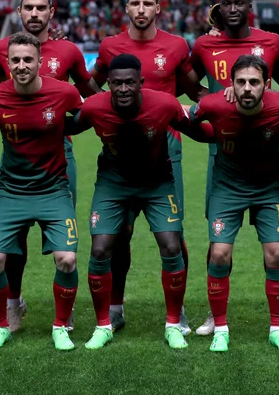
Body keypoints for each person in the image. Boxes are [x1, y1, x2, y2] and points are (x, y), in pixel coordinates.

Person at [90, 0, 207, 333]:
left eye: (147, 3)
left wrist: (222, 99)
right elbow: (91, 84)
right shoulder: (110, 46)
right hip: (120, 148)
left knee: (173, 235)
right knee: (119, 233)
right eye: (135, 3)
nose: (141, 9)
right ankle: (116, 307)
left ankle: (179, 310)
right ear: (126, 8)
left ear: (159, 8)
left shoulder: (175, 46)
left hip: (166, 150)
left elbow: (194, 90)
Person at [69, 54, 204, 350]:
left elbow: (197, 130)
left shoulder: (164, 104)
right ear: (107, 84)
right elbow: (68, 127)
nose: (123, 89)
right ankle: (104, 323)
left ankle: (173, 324)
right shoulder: (94, 107)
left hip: (157, 182)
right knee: (101, 248)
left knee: (171, 244)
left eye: (130, 82)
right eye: (116, 83)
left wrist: (230, 126)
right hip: (113, 184)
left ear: (141, 83)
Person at [190, 0, 279, 337]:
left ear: (250, 6)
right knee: (219, 244)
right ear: (218, 8)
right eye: (227, 3)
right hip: (222, 149)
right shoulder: (205, 43)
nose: (233, 8)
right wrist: (218, 100)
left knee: (276, 247)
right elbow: (189, 83)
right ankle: (214, 314)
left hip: (265, 151)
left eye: (240, 3)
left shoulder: (271, 42)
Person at [0, 0, 98, 332]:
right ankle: (13, 302)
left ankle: (62, 315)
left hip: (58, 152)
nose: (34, 14)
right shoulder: (0, 49)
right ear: (18, 12)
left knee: (63, 239)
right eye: (28, 8)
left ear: (52, 12)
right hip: (17, 152)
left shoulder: (68, 50)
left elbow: (88, 95)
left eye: (41, 8)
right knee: (14, 236)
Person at [0, 32, 83, 351]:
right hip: (11, 193)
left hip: (53, 191)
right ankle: (2, 326)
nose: (21, 66)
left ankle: (61, 326)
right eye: (16, 60)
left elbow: (87, 114)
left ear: (40, 62)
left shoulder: (64, 93)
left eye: (28, 60)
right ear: (7, 63)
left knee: (66, 259)